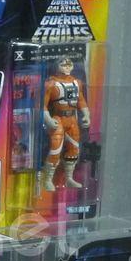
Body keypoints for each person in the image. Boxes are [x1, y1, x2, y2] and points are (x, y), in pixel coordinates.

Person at [39, 56, 90, 192]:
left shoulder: (76, 82)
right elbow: (42, 105)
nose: (67, 67)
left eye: (69, 65)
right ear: (57, 66)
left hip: (72, 120)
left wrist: (86, 115)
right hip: (58, 119)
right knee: (55, 149)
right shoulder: (51, 83)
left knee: (74, 150)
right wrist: (48, 120)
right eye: (63, 65)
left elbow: (81, 101)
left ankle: (69, 178)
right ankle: (47, 180)